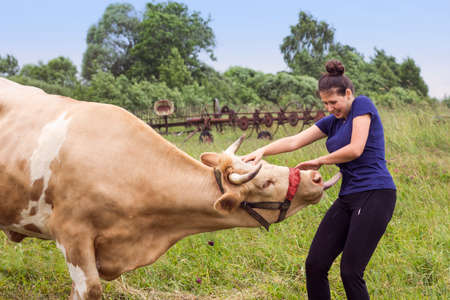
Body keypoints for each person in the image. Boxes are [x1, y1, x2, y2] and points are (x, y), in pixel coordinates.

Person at [242, 59, 396, 300]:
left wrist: (321, 160)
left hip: (375, 193)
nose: (329, 108)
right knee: (315, 264)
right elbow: (294, 141)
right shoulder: (332, 122)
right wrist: (261, 151)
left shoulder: (362, 105)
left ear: (348, 93)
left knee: (350, 271)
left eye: (333, 102)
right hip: (348, 196)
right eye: (325, 103)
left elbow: (356, 148)